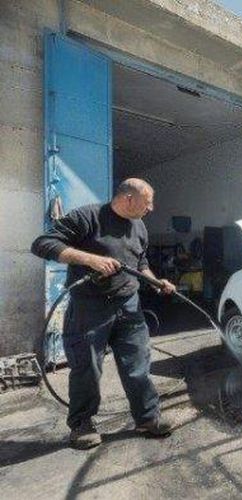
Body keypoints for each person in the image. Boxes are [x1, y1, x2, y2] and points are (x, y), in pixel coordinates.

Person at [31, 178, 177, 449]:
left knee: (138, 365)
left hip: (129, 306)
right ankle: (81, 425)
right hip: (89, 307)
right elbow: (42, 243)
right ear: (128, 199)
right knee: (87, 368)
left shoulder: (139, 226)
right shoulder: (87, 217)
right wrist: (91, 259)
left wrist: (156, 282)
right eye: (147, 203)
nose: (151, 208)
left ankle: (147, 418)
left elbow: (140, 262)